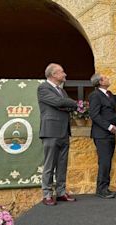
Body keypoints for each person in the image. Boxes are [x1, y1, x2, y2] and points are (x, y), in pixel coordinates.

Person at [37, 63, 78, 206]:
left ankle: (60, 192)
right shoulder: (43, 88)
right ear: (53, 74)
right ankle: (47, 194)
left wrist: (66, 104)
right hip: (50, 131)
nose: (65, 74)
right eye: (62, 72)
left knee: (62, 164)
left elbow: (63, 105)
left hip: (63, 132)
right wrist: (71, 102)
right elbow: (57, 102)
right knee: (49, 165)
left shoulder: (62, 91)